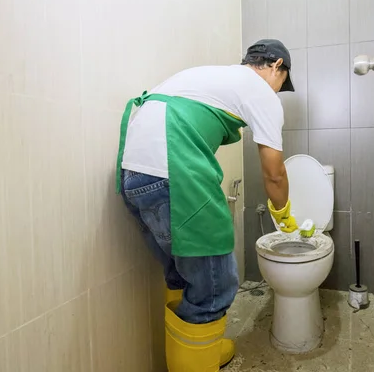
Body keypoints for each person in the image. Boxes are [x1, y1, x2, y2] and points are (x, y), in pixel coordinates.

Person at [115, 39, 299, 371]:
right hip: (173, 173)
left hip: (135, 176)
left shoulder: (208, 76)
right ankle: (198, 357)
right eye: (282, 82)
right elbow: (274, 174)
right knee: (215, 289)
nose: (278, 90)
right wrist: (283, 215)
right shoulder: (260, 91)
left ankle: (203, 351)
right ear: (276, 66)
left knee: (181, 277)